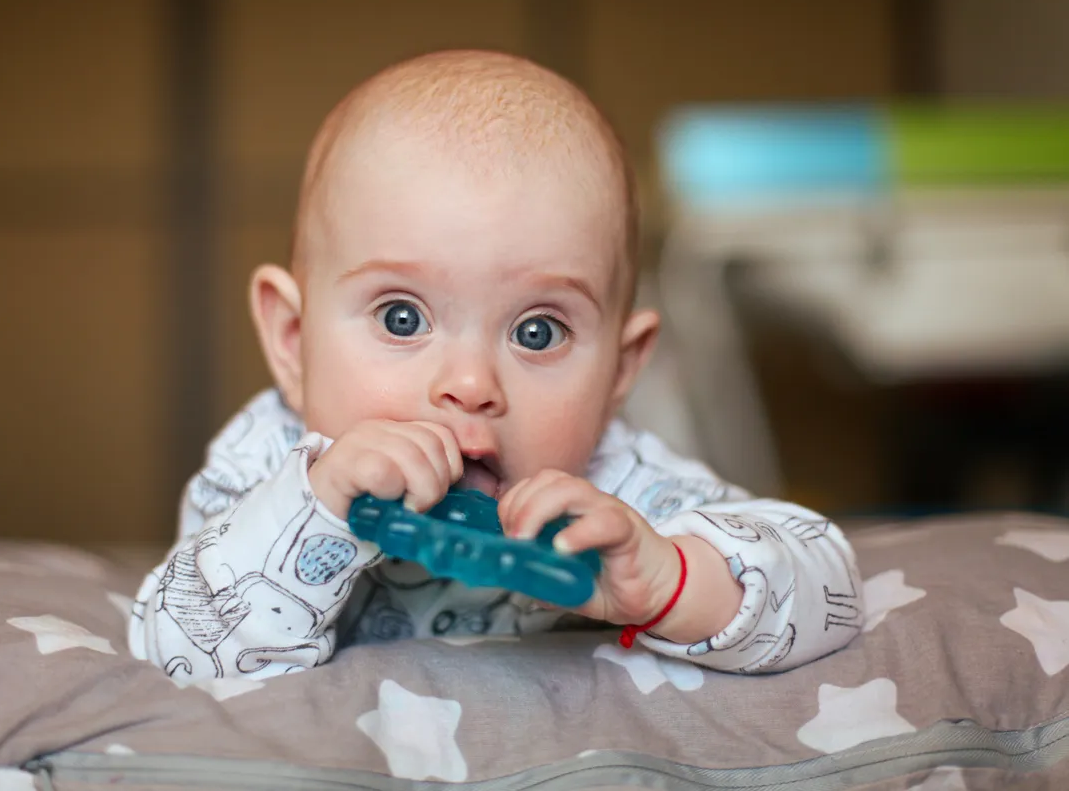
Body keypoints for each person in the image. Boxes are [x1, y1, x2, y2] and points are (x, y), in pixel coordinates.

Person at [128, 49, 863, 682]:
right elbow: (180, 647)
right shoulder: (263, 466)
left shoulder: (617, 495)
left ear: (619, 371)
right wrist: (318, 511)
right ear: (293, 340)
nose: (472, 386)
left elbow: (829, 588)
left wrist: (669, 579)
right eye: (402, 318)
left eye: (538, 331)